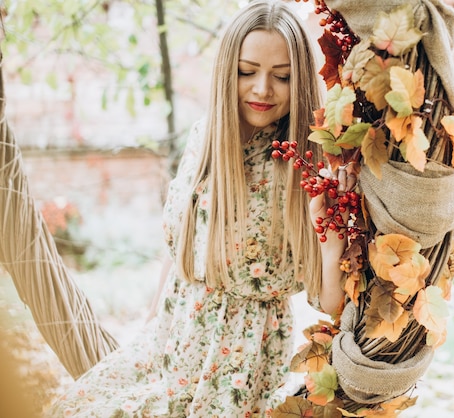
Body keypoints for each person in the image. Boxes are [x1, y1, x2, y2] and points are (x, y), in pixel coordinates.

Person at [45, 1, 346, 416]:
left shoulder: (303, 164)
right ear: (227, 71)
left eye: (282, 76)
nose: (262, 89)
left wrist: (331, 246)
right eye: (247, 71)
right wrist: (149, 326)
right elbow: (181, 249)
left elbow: (329, 301)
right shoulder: (205, 138)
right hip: (170, 340)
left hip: (239, 364)